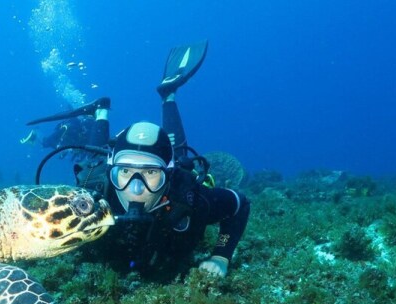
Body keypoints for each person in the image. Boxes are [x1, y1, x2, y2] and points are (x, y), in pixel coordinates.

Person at [27, 41, 250, 280]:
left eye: (151, 173)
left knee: (179, 154)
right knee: (94, 159)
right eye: (124, 172)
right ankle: (101, 112)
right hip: (104, 169)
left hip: (172, 173)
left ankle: (168, 96)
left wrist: (221, 256)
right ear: (112, 171)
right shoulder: (93, 194)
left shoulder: (190, 198)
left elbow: (239, 205)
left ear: (168, 175)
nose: (135, 188)